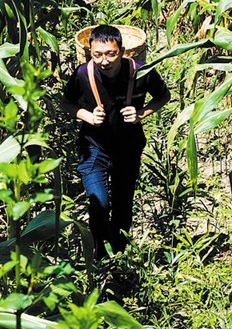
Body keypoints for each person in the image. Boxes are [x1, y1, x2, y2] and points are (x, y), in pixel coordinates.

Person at [61, 25, 171, 260]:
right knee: (98, 204)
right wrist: (87, 116)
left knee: (123, 206)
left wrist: (141, 113)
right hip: (93, 148)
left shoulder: (142, 72)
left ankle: (119, 257)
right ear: (90, 52)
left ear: (122, 51)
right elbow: (67, 103)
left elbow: (164, 96)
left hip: (128, 149)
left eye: (110, 54)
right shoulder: (83, 74)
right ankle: (100, 257)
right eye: (97, 54)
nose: (104, 61)